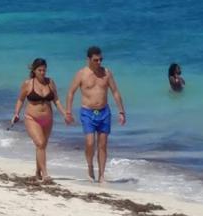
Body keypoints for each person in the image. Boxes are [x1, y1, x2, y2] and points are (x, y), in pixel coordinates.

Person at [65, 46, 126, 183]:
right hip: (87, 112)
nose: (99, 62)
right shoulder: (81, 74)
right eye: (96, 60)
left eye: (101, 60)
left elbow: (115, 92)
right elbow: (70, 92)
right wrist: (68, 112)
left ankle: (102, 175)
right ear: (88, 59)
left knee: (103, 145)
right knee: (90, 142)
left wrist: (121, 111)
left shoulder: (106, 73)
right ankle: (90, 166)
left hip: (104, 112)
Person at [10, 58, 69, 182]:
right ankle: (45, 175)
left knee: (41, 146)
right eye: (40, 70)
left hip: (48, 119)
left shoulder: (50, 82)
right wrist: (16, 113)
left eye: (44, 70)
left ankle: (38, 172)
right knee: (40, 143)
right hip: (32, 118)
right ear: (34, 70)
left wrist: (65, 114)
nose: (42, 72)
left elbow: (56, 100)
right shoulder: (28, 84)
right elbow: (21, 99)